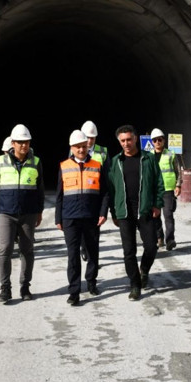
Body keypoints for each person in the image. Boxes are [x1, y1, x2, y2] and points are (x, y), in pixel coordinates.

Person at [0, 124, 44, 304]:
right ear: (13, 143)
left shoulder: (36, 162)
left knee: (27, 250)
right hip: (6, 213)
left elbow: (40, 189)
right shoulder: (1, 161)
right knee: (5, 250)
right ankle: (5, 289)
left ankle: (25, 286)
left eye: (26, 142)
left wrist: (39, 211)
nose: (23, 145)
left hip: (28, 214)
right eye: (20, 142)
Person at [107, 124, 164, 301]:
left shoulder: (148, 159)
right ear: (119, 142)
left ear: (136, 139)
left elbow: (159, 183)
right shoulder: (116, 162)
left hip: (145, 210)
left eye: (129, 139)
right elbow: (111, 189)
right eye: (122, 141)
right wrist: (113, 212)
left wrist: (157, 204)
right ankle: (135, 285)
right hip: (125, 213)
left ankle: (144, 270)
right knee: (128, 251)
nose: (126, 143)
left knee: (151, 246)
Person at [55, 130, 109, 306]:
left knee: (93, 252)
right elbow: (59, 195)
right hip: (70, 218)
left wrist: (103, 212)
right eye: (77, 146)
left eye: (83, 146)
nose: (81, 149)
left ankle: (91, 282)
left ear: (88, 146)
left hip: (91, 216)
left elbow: (104, 193)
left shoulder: (96, 165)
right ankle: (74, 291)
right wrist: (58, 218)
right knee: (73, 256)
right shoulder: (64, 166)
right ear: (71, 147)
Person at [79, 120, 108, 263]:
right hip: (80, 196)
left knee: (94, 231)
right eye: (87, 137)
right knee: (82, 228)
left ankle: (93, 260)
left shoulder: (103, 152)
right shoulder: (75, 149)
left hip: (96, 197)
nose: (90, 140)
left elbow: (108, 175)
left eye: (92, 137)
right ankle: (83, 247)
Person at [150, 128, 183, 251]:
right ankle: (160, 238)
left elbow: (178, 171)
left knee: (168, 215)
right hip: (154, 191)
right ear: (152, 142)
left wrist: (178, 185)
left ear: (164, 140)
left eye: (160, 139)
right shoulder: (149, 156)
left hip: (168, 189)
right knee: (155, 216)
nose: (157, 142)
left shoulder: (171, 154)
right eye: (155, 140)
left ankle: (170, 240)